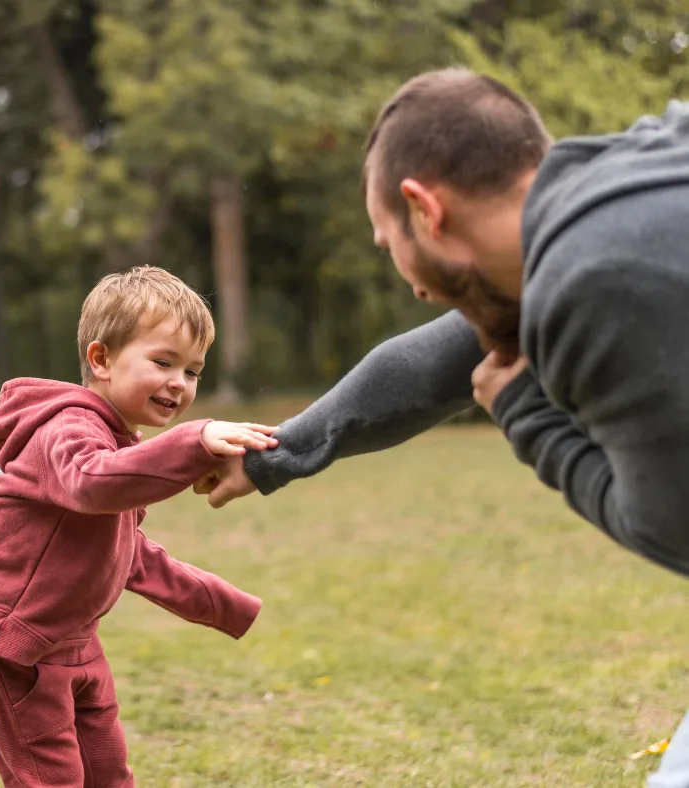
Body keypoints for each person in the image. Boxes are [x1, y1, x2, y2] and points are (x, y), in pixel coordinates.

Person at [196, 69, 689, 788]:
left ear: (424, 209)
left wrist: (527, 414)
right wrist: (278, 454)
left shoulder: (594, 280)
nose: (410, 282)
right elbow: (442, 360)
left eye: (385, 243)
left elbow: (674, 530)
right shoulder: (633, 176)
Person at [0, 266, 273, 786]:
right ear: (101, 359)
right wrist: (195, 440)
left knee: (108, 775)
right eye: (163, 361)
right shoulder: (68, 429)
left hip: (76, 643)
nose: (178, 382)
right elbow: (92, 483)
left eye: (192, 371)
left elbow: (127, 552)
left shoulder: (120, 443)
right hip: (13, 645)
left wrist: (218, 602)